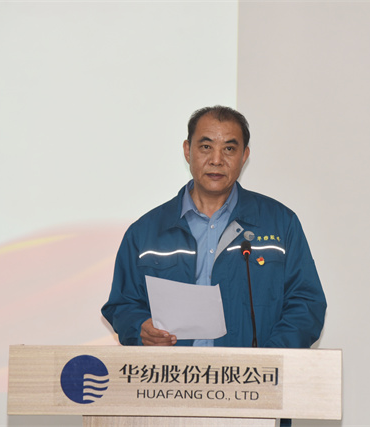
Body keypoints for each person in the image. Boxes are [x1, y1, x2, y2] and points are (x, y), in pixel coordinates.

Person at [101, 106, 326, 349]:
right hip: (173, 372)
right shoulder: (146, 232)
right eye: (206, 147)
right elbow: (123, 305)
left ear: (244, 155)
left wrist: (269, 360)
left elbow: (306, 304)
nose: (216, 160)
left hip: (253, 372)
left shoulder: (280, 223)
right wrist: (140, 328)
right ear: (187, 151)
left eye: (229, 149)